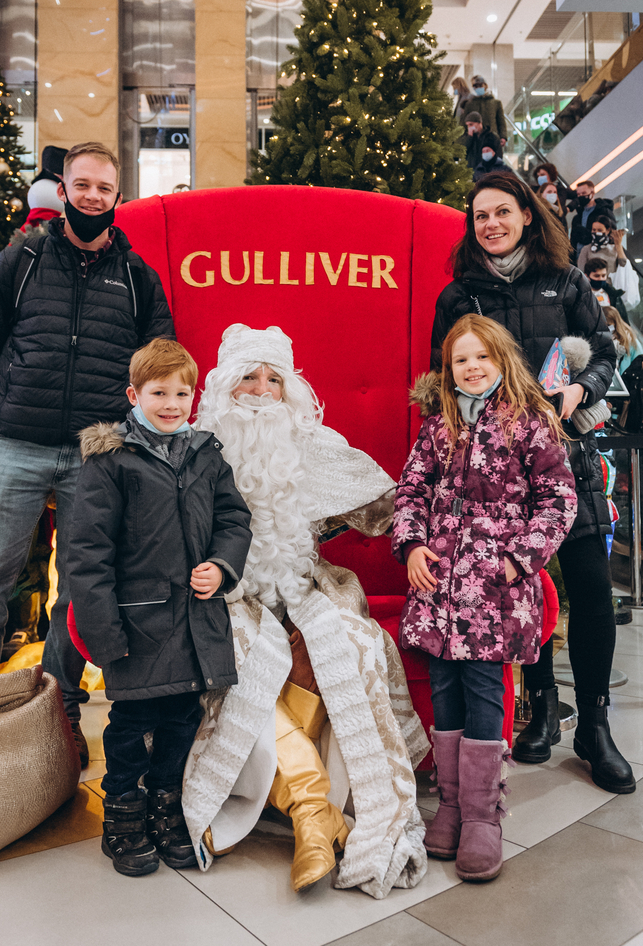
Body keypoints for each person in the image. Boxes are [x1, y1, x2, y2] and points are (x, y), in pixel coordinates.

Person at [0, 141, 175, 767]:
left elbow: (162, 369)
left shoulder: (137, 279)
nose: (93, 198)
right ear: (64, 190)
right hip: (16, 445)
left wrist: (141, 453)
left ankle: (57, 711)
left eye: (104, 188)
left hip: (95, 456)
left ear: (118, 197)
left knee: (78, 593)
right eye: (82, 186)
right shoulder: (21, 258)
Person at [184, 324, 429, 899]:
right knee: (240, 661)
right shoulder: (196, 448)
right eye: (250, 377)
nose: (263, 391)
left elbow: (388, 507)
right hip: (223, 593)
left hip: (303, 587)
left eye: (275, 379)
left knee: (352, 646)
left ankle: (322, 806)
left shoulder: (314, 445)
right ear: (225, 386)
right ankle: (312, 808)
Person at [430, 173, 635, 795]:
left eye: (501, 212)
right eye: (479, 215)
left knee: (592, 590)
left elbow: (604, 353)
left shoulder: (566, 280)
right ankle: (540, 706)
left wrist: (580, 389)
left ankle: (595, 727)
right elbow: (439, 379)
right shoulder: (459, 294)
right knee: (521, 589)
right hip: (496, 477)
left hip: (566, 458)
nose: (489, 223)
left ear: (525, 213)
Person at [393, 314, 576, 882]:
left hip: (495, 590)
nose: (472, 369)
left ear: (502, 360)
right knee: (444, 688)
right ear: (448, 371)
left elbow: (559, 499)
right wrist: (412, 546)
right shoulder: (438, 424)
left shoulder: (530, 422)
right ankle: (449, 804)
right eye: (460, 361)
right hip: (439, 586)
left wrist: (518, 558)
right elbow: (411, 489)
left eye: (482, 357)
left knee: (482, 691)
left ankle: (483, 816)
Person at [67, 338, 252, 878]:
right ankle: (122, 815)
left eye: (182, 392)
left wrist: (220, 565)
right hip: (137, 622)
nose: (172, 403)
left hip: (195, 622)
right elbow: (87, 554)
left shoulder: (206, 455)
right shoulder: (111, 461)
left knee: (181, 719)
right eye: (158, 392)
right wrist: (104, 635)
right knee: (130, 724)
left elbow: (233, 521)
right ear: (134, 394)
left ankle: (167, 808)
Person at [569, 180, 614, 253]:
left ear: (592, 193)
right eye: (578, 194)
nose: (581, 197)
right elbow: (573, 241)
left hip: (597, 254)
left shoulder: (604, 212)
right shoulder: (577, 217)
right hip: (579, 257)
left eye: (584, 193)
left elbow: (611, 234)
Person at [459, 76, 507, 146]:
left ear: (485, 86)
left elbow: (501, 122)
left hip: (492, 138)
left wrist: (503, 137)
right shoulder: (469, 104)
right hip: (475, 140)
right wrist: (464, 139)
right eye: (475, 86)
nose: (478, 88)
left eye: (480, 85)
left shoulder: (496, 103)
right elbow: (463, 123)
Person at [602, 306, 641, 374]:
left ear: (615, 323)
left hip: (624, 374)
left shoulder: (628, 338)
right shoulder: (603, 334)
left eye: (608, 325)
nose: (606, 328)